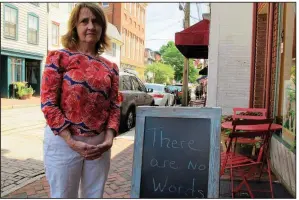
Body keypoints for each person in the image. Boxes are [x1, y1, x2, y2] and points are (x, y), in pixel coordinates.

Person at [41, 3, 120, 198]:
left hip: (99, 145)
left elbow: (114, 105)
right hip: (63, 142)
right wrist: (71, 140)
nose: (91, 26)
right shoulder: (59, 57)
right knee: (63, 195)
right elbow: (48, 103)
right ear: (75, 26)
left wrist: (109, 139)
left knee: (94, 195)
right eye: (84, 21)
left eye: (96, 22)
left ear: (102, 28)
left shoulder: (111, 67)